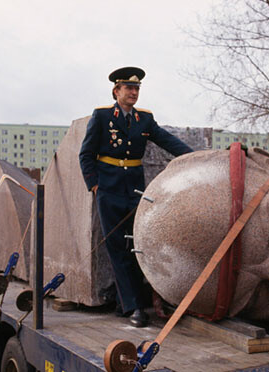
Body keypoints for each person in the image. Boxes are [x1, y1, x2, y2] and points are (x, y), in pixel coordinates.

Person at [79, 66, 193, 327]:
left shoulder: (144, 120)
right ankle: (133, 308)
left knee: (137, 245)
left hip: (135, 189)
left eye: (137, 88)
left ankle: (127, 302)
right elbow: (86, 154)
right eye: (128, 88)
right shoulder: (102, 116)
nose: (133, 92)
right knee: (117, 247)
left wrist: (193, 156)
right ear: (116, 91)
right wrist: (95, 186)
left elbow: (167, 141)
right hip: (108, 190)